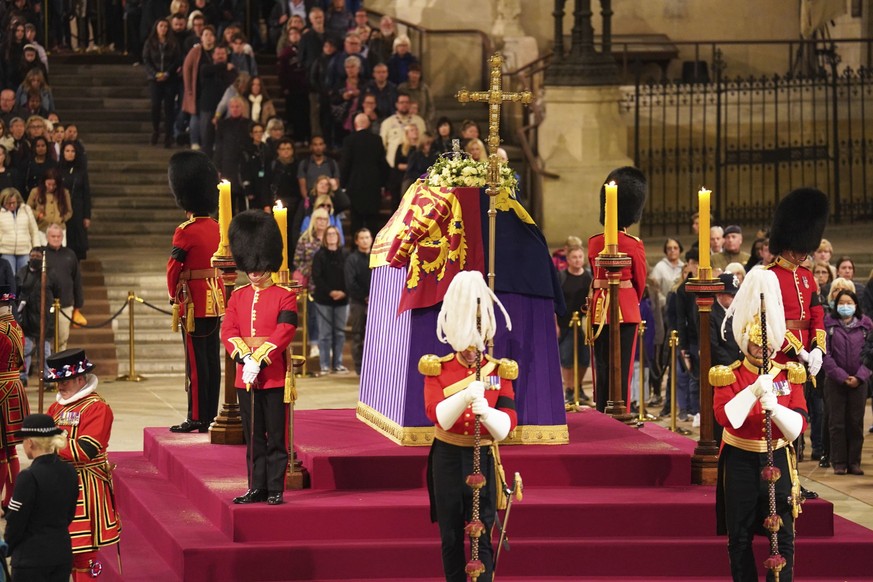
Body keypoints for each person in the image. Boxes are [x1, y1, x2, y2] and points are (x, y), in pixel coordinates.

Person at [420, 270, 517, 582]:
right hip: (447, 457)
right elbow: (437, 415)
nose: (472, 348)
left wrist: (486, 412)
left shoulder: (499, 370)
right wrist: (464, 396)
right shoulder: (438, 367)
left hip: (483, 457)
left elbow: (508, 425)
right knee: (450, 534)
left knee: (483, 533)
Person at [712, 268, 807, 582]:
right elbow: (726, 418)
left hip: (777, 456)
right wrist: (752, 392)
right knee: (739, 537)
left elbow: (798, 426)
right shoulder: (729, 374)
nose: (761, 349)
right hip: (740, 460)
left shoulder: (788, 373)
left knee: (784, 537)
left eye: (765, 344)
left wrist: (775, 409)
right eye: (755, 344)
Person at [222, 210, 298, 506]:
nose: (253, 271)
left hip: (274, 373)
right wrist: (244, 358)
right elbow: (228, 330)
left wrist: (260, 359)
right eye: (249, 266)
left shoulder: (284, 294)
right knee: (253, 436)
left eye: (258, 265)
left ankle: (276, 487)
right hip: (246, 376)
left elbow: (286, 329)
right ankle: (257, 486)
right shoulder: (238, 295)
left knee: (276, 435)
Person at [765, 187, 828, 501]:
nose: (805, 253)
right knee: (782, 423)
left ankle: (793, 481)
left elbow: (816, 313)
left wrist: (817, 349)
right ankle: (777, 482)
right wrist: (799, 351)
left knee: (800, 422)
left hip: (805, 363)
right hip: (781, 363)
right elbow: (774, 321)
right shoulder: (770, 276)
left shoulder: (807, 275)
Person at [46, 348, 121, 581]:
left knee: (84, 555)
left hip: (86, 488)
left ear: (80, 378)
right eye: (57, 381)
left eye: (64, 380)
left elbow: (85, 451)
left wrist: (48, 442)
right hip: (60, 484)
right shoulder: (56, 407)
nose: (59, 386)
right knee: (63, 552)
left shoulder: (98, 408)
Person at [166, 151, 225, 433]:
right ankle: (211, 413)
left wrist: (172, 295)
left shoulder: (185, 230)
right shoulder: (217, 227)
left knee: (195, 363)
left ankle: (198, 417)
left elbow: (173, 268)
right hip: (215, 300)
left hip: (192, 304)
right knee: (211, 360)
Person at [588, 167, 648, 413]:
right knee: (622, 366)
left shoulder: (594, 242)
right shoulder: (633, 245)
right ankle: (620, 409)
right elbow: (640, 282)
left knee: (602, 364)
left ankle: (602, 407)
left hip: (599, 307)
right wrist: (631, 300)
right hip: (625, 306)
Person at [4, 413, 79, 582]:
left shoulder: (28, 476)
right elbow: (69, 515)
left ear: (30, 442)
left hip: (31, 560)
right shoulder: (70, 471)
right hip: (61, 555)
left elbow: (16, 521)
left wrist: (6, 549)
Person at [822, 289, 871, 475]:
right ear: (835, 305)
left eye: (849, 303)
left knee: (855, 423)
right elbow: (825, 354)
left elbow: (871, 354)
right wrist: (841, 376)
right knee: (837, 423)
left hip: (859, 381)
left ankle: (854, 462)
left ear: (856, 305)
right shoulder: (828, 325)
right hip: (835, 382)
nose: (845, 306)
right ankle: (839, 463)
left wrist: (859, 376)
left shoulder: (866, 325)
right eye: (841, 303)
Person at [16, 246, 59, 384]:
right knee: (26, 349)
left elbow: (57, 292)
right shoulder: (23, 272)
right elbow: (17, 291)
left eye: (38, 257)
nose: (34, 259)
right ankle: (23, 376)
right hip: (27, 318)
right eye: (32, 256)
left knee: (45, 351)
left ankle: (47, 377)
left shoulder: (50, 273)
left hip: (44, 317)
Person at [340, 113, 388, 236]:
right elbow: (382, 164)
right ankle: (372, 250)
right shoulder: (377, 140)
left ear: (355, 125)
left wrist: (343, 185)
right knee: (373, 221)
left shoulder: (349, 140)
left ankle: (356, 249)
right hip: (373, 186)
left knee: (356, 221)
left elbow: (345, 164)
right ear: (368, 124)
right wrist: (383, 184)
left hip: (354, 186)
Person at [556, 244, 592, 404]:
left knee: (584, 358)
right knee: (566, 358)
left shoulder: (588, 278)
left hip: (584, 325)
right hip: (565, 324)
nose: (577, 260)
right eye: (574, 257)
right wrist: (555, 324)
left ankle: (578, 387)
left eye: (580, 257)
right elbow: (555, 302)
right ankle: (569, 389)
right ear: (568, 260)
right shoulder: (561, 277)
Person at [311, 225, 348, 374]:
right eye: (329, 234)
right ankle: (325, 365)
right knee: (325, 334)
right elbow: (317, 277)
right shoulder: (319, 255)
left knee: (339, 333)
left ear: (338, 237)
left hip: (343, 299)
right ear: (325, 238)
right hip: (324, 299)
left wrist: (344, 292)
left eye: (334, 234)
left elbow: (350, 276)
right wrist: (331, 292)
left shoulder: (345, 255)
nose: (332, 236)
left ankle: (338, 363)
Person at [42, 223, 82, 352]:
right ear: (47, 237)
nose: (56, 238)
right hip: (45, 305)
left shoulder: (70, 255)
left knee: (63, 339)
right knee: (45, 340)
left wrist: (78, 304)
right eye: (53, 236)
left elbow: (77, 280)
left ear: (62, 237)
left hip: (65, 305)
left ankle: (59, 368)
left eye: (58, 236)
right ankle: (46, 369)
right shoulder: (41, 254)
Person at [143, 17, 182, 148]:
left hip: (169, 79)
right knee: (155, 106)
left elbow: (177, 59)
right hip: (154, 79)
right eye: (161, 26)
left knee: (169, 107)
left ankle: (168, 135)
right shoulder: (150, 42)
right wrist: (154, 74)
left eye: (166, 26)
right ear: (156, 27)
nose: (163, 29)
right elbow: (146, 59)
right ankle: (156, 130)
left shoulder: (173, 42)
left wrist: (168, 73)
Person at [58, 143, 91, 261]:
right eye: (67, 151)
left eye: (72, 151)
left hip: (78, 208)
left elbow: (86, 194)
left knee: (77, 242)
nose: (70, 153)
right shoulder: (57, 169)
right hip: (61, 207)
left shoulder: (81, 171)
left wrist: (87, 216)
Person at [344, 227, 370, 375]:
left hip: (375, 302)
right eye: (362, 238)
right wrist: (364, 297)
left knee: (373, 335)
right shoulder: (352, 259)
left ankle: (372, 366)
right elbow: (350, 283)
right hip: (358, 302)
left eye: (367, 237)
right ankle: (359, 367)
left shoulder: (376, 257)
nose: (365, 240)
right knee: (358, 335)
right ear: (356, 241)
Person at [0, 187, 39, 274]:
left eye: (14, 203)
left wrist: (36, 247)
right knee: (9, 279)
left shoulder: (26, 209)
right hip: (6, 251)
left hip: (25, 251)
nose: (11, 205)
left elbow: (34, 230)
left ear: (18, 201)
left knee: (24, 279)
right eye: (8, 203)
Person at [27, 169, 71, 238]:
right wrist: (38, 215)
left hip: (59, 229)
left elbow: (69, 211)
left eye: (54, 185)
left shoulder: (64, 193)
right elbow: (28, 209)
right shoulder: (35, 192)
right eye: (49, 184)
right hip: (42, 229)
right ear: (44, 182)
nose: (51, 187)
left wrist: (62, 218)